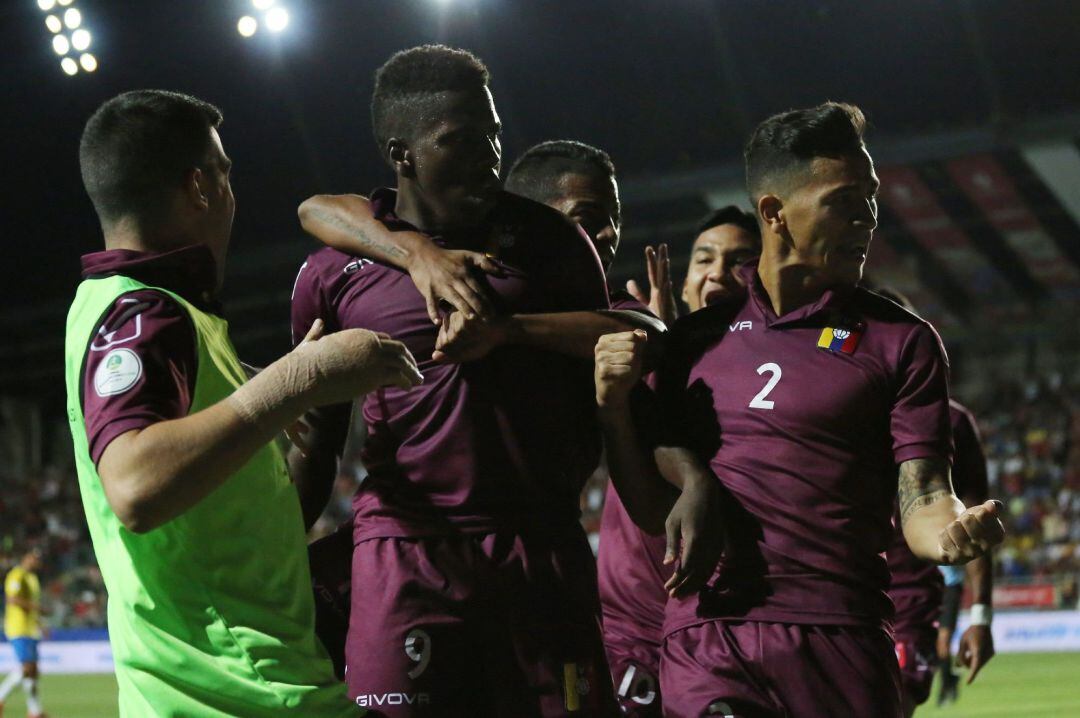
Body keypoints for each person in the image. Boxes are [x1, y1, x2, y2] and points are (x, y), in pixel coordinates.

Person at [593, 101, 1005, 717]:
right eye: (845, 199)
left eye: (870, 196)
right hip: (711, 637)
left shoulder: (902, 341)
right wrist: (613, 406)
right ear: (774, 212)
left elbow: (924, 496)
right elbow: (654, 509)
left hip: (841, 635)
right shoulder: (692, 343)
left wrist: (944, 536)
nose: (868, 216)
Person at [290, 46, 666, 716]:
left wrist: (510, 329)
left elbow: (632, 334)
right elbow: (317, 442)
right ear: (402, 154)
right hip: (407, 551)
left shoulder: (551, 244)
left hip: (540, 545)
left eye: (493, 134)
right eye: (461, 141)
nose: (489, 155)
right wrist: (283, 550)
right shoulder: (335, 273)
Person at [66, 89, 421, 716]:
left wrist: (277, 396)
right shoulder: (144, 312)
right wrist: (301, 378)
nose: (233, 196)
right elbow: (136, 484)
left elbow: (217, 525)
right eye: (225, 175)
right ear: (200, 186)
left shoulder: (120, 310)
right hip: (247, 693)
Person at [876, 289, 996, 715]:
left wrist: (979, 618)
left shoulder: (954, 423)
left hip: (908, 602)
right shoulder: (829, 410)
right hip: (834, 593)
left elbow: (977, 522)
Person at [0, 549, 46, 718]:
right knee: (27, 669)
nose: (36, 562)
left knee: (33, 672)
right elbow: (12, 599)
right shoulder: (16, 575)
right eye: (34, 558)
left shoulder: (32, 578)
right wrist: (37, 609)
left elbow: (32, 604)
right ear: (26, 557)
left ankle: (35, 711)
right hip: (18, 628)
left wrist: (41, 624)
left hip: (31, 629)